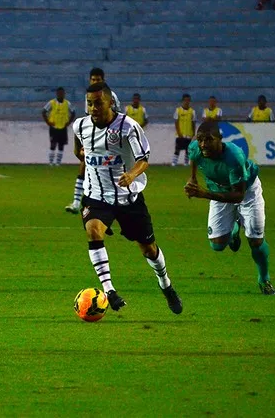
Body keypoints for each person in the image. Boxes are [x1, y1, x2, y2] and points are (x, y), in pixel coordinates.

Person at [72, 82, 183, 314]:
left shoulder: (127, 127)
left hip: (128, 197)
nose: (93, 108)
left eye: (98, 103)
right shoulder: (80, 126)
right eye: (89, 104)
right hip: (96, 196)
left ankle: (166, 285)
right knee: (93, 229)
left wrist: (131, 175)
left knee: (148, 249)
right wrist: (83, 154)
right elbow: (78, 150)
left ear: (110, 102)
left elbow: (144, 158)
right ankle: (110, 291)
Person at [184, 121, 275, 295]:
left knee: (255, 240)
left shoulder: (234, 157)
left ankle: (264, 279)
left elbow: (238, 195)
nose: (203, 144)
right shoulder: (196, 147)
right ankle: (234, 228)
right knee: (217, 245)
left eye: (209, 140)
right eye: (200, 139)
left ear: (220, 139)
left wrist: (203, 194)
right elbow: (194, 158)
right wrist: (193, 178)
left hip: (247, 192)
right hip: (218, 189)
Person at [65, 67, 122, 214]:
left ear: (103, 80)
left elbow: (117, 118)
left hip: (110, 138)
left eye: (98, 79)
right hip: (93, 137)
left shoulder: (111, 96)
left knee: (109, 169)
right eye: (93, 79)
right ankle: (77, 202)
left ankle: (113, 202)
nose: (95, 81)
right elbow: (89, 118)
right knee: (84, 164)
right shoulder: (88, 97)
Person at [42, 87, 76, 166]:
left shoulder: (67, 103)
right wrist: (48, 122)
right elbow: (44, 111)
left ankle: (58, 162)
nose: (61, 95)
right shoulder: (51, 103)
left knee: (61, 145)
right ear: (57, 94)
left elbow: (73, 113)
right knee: (53, 144)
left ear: (64, 94)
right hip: (54, 127)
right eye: (59, 93)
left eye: (62, 93)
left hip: (63, 127)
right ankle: (51, 162)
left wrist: (68, 123)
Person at [173, 93, 196, 166]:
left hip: (188, 134)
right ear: (182, 101)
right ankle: (174, 162)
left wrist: (193, 133)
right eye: (185, 100)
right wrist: (178, 132)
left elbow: (193, 123)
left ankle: (186, 163)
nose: (187, 102)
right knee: (177, 149)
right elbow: (176, 123)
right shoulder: (178, 110)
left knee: (187, 150)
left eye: (188, 100)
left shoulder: (192, 111)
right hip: (180, 134)